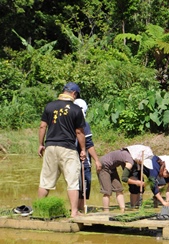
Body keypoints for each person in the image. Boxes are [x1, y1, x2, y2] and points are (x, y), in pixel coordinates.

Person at [37, 82, 86, 218]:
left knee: (45, 181)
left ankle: (38, 210)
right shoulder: (76, 109)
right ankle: (74, 212)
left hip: (50, 146)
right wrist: (83, 149)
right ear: (74, 94)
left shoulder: (50, 106)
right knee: (72, 181)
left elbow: (42, 126)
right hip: (68, 148)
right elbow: (79, 132)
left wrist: (40, 144)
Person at [97, 145, 153, 212]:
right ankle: (106, 211)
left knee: (119, 189)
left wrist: (139, 182)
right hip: (103, 166)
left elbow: (130, 176)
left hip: (112, 168)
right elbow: (124, 178)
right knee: (107, 191)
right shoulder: (129, 161)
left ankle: (122, 210)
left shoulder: (128, 157)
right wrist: (136, 182)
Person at [74, 98, 102, 212]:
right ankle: (79, 208)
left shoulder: (66, 121)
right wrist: (96, 160)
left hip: (70, 158)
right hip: (81, 158)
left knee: (77, 183)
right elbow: (89, 144)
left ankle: (78, 208)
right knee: (83, 183)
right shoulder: (83, 124)